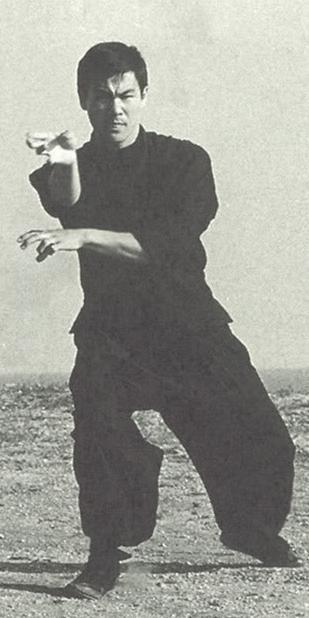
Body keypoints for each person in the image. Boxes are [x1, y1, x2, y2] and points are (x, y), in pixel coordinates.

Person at [18, 42, 298, 600]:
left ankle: (249, 528)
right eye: (101, 98)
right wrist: (66, 159)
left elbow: (167, 247)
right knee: (97, 429)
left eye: (125, 95)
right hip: (111, 331)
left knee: (264, 438)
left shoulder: (184, 161)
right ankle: (104, 554)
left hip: (187, 325)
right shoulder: (74, 162)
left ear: (143, 96)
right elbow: (66, 202)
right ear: (85, 102)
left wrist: (85, 237)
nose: (114, 108)